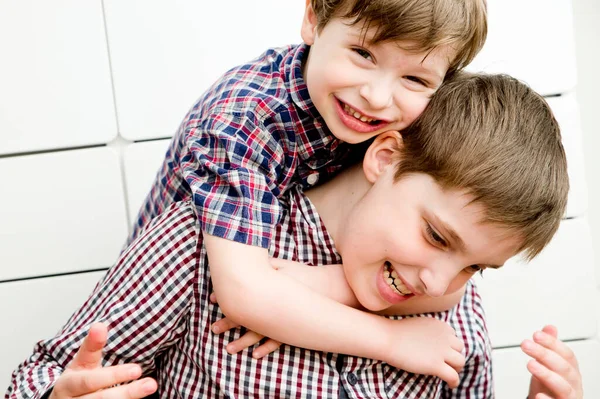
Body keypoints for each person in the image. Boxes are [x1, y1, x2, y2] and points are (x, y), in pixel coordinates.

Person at [5, 73, 582, 399]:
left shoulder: (458, 319)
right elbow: (31, 382)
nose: (440, 282)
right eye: (435, 236)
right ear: (385, 157)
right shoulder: (205, 242)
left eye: (475, 268)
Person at [125, 0, 488, 384]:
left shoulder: (406, 123)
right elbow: (245, 294)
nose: (378, 97)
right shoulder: (244, 120)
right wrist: (390, 340)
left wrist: (320, 284)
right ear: (313, 19)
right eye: (363, 54)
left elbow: (449, 287)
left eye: (415, 79)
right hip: (167, 323)